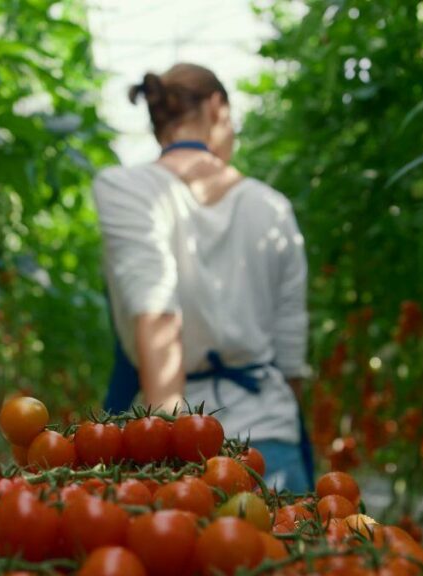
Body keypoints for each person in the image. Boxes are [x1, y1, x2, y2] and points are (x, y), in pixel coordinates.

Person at [92, 63, 313, 492]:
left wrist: (166, 453)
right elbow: (290, 360)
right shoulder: (273, 209)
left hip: (170, 428)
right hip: (268, 438)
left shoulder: (125, 189)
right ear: (217, 107)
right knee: (288, 555)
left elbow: (155, 313)